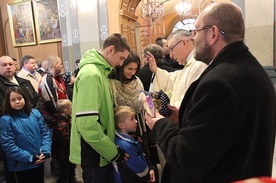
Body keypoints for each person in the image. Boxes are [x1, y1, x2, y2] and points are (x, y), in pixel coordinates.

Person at [145, 2, 276, 182]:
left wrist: (159, 124)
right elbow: (220, 134)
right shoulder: (251, 69)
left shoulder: (220, 82)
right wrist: (185, 117)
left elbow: (187, 158)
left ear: (213, 33)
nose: (193, 38)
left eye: (195, 31)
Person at [69, 33, 130, 183]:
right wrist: (113, 152)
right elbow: (87, 124)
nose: (121, 64)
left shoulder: (100, 72)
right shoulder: (92, 74)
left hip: (100, 151)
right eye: (121, 58)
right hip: (93, 153)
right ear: (111, 49)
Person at [0, 86, 51, 183]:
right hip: (21, 165)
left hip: (39, 160)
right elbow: (8, 146)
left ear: (24, 98)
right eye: (13, 100)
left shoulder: (35, 113)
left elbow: (44, 133)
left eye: (20, 98)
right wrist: (30, 158)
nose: (17, 102)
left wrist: (45, 151)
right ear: (8, 102)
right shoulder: (6, 120)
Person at [113, 106, 155, 183]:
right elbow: (137, 166)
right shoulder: (125, 145)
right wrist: (148, 175)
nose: (136, 121)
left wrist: (150, 167)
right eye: (132, 119)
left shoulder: (131, 138)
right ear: (121, 125)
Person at [38, 55, 68, 137]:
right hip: (53, 119)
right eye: (60, 64)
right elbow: (51, 102)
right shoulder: (47, 79)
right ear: (54, 65)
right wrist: (61, 116)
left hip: (62, 116)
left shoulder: (59, 77)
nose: (62, 66)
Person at [52, 99, 76, 183]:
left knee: (70, 167)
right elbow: (66, 139)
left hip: (65, 151)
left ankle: (71, 179)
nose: (73, 109)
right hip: (64, 152)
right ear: (66, 110)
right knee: (66, 168)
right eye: (71, 107)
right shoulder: (62, 124)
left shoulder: (64, 119)